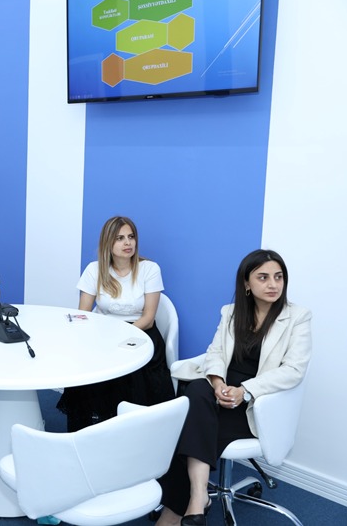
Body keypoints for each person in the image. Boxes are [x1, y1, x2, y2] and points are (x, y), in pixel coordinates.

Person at [156, 250, 312, 526]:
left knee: (188, 427)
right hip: (221, 392)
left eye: (278, 277)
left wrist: (245, 391)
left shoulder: (297, 317)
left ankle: (179, 508)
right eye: (263, 277)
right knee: (197, 392)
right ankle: (198, 496)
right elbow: (215, 352)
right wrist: (218, 383)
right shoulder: (231, 313)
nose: (273, 284)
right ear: (246, 284)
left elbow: (293, 370)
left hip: (256, 404)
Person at [57, 216, 174, 431]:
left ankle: (129, 431)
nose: (127, 243)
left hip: (140, 333)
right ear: (108, 243)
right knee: (84, 368)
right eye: (120, 238)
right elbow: (83, 313)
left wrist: (119, 337)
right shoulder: (94, 270)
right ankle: (84, 433)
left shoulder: (149, 269)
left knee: (130, 373)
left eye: (131, 237)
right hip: (102, 333)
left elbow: (148, 318)